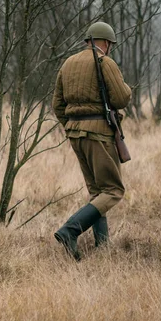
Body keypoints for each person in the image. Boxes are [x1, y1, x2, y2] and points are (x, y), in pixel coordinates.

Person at [52, 21, 132, 261]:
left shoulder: (68, 63)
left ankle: (102, 247)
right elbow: (121, 98)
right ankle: (70, 231)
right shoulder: (104, 62)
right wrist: (126, 87)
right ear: (106, 43)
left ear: (88, 40)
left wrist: (71, 126)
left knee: (97, 192)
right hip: (98, 133)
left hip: (76, 134)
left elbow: (57, 105)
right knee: (113, 190)